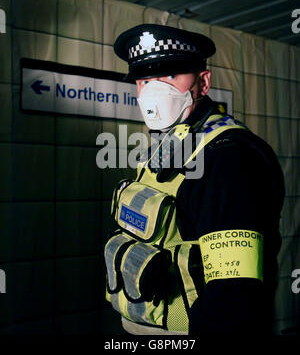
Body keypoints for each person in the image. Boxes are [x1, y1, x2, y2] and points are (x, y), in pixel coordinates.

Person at [104, 24, 285, 335]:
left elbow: (232, 298)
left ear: (203, 82)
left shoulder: (228, 157)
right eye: (145, 79)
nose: (154, 90)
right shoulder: (166, 145)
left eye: (171, 76)